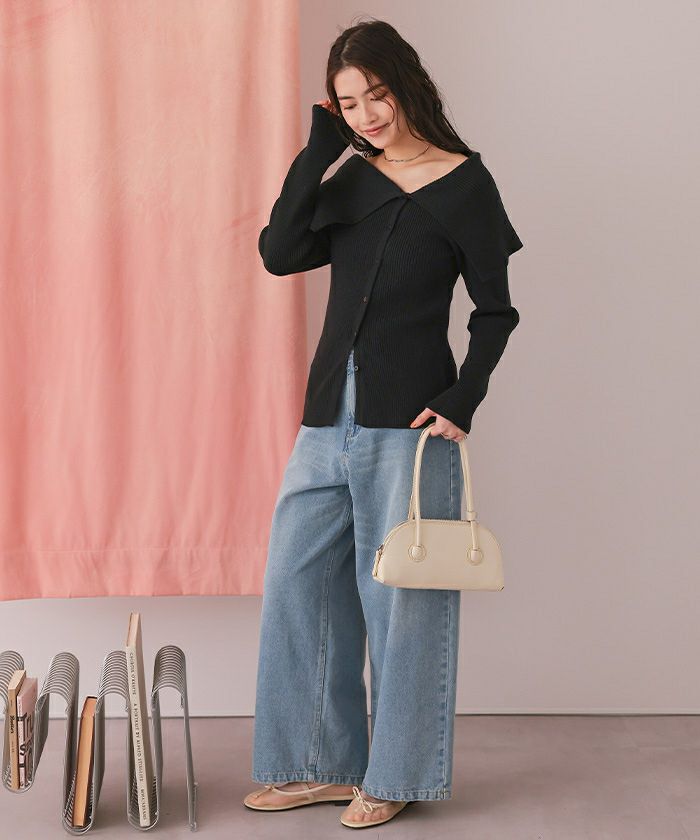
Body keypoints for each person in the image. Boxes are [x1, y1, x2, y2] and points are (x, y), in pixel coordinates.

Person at [243, 18, 523, 830]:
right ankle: (319, 766)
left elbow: (496, 312)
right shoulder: (353, 179)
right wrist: (318, 149)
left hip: (411, 428)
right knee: (299, 588)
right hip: (326, 417)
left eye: (376, 96)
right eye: (348, 104)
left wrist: (464, 398)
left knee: (403, 603)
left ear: (406, 85)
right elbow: (279, 251)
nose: (366, 115)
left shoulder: (466, 183)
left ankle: (395, 773)